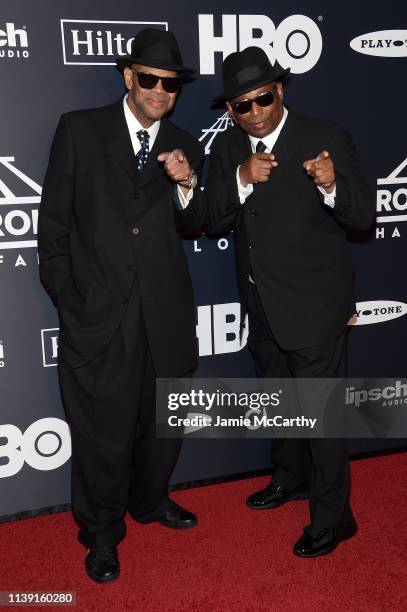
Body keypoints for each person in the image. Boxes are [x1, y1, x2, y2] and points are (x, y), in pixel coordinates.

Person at [160, 46, 374, 557]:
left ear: (280, 90)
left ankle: (333, 518)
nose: (254, 112)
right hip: (260, 306)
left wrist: (331, 185)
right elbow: (203, 219)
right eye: (241, 105)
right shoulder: (231, 147)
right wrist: (235, 179)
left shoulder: (325, 137)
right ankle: (289, 478)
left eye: (262, 98)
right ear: (230, 110)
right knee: (281, 406)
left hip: (315, 307)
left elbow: (363, 217)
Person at [38, 28, 204, 583]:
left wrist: (186, 184)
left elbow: (193, 222)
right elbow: (53, 228)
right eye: (152, 80)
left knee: (163, 429)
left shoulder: (184, 141)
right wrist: (71, 299)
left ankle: (150, 500)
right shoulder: (80, 131)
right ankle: (102, 533)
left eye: (172, 84)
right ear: (128, 76)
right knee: (103, 436)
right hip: (99, 316)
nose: (162, 92)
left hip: (164, 313)